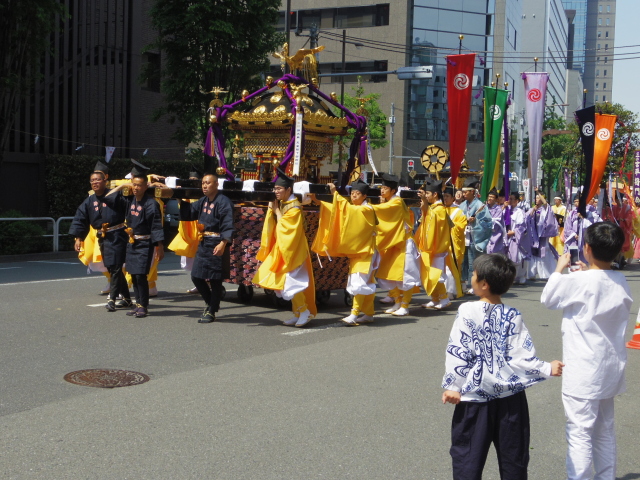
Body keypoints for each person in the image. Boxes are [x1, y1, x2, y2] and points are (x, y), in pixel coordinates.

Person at [442, 253, 563, 480]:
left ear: (484, 284)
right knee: (513, 459)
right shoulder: (512, 314)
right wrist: (547, 367)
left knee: (467, 458)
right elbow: (522, 355)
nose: (472, 276)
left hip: (474, 398)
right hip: (510, 398)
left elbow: (459, 350)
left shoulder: (467, 310)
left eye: (474, 274)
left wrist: (454, 386)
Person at [541, 222, 632, 480]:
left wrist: (559, 270)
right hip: (610, 366)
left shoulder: (579, 281)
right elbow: (598, 284)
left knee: (579, 431)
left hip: (583, 369)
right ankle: (605, 477)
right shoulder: (620, 279)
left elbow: (548, 298)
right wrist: (587, 272)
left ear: (587, 248)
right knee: (604, 429)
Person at [253, 169, 316, 327]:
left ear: (289, 190)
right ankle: (298, 312)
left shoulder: (294, 208)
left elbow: (286, 229)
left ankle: (304, 311)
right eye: (275, 189)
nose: (276, 192)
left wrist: (275, 211)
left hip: (294, 250)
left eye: (279, 189)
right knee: (282, 280)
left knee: (292, 283)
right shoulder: (284, 204)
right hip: (283, 248)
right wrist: (272, 210)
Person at [312, 180, 378, 325]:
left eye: (357, 194)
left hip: (366, 252)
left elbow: (346, 210)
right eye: (352, 193)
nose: (354, 196)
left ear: (364, 196)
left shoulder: (367, 209)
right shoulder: (355, 208)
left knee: (359, 283)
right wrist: (321, 202)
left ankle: (354, 314)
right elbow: (341, 211)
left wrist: (335, 193)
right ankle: (368, 313)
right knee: (363, 282)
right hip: (358, 252)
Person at [104, 160, 165, 318]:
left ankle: (143, 305)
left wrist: (159, 246)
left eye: (139, 185)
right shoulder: (129, 201)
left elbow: (156, 226)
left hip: (145, 243)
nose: (136, 188)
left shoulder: (151, 204)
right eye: (134, 185)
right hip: (131, 243)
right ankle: (137, 304)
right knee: (133, 273)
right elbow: (108, 198)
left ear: (146, 186)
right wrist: (121, 187)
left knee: (140, 275)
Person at [69, 160, 132, 311]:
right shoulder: (89, 201)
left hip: (117, 235)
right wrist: (78, 238)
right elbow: (80, 219)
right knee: (111, 267)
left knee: (116, 267)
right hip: (103, 237)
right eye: (92, 180)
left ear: (105, 181)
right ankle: (128, 299)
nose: (95, 183)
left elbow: (130, 207)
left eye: (98, 179)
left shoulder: (115, 196)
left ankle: (112, 299)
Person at [179, 171, 235, 323]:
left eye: (208, 183)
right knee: (196, 276)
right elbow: (190, 212)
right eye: (203, 183)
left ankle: (211, 311)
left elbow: (228, 224)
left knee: (215, 279)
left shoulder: (224, 202)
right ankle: (211, 303)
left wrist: (223, 243)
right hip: (204, 243)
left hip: (217, 243)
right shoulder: (203, 201)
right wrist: (181, 198)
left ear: (216, 184)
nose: (205, 185)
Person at [372, 173, 421, 316]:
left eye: (385, 188)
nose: (382, 190)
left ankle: (405, 305)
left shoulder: (397, 202)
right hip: (393, 242)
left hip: (404, 243)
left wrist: (366, 207)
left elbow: (383, 211)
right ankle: (398, 302)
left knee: (405, 275)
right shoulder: (389, 202)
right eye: (381, 187)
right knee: (390, 273)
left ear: (393, 191)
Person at [415, 180, 460, 309]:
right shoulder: (434, 208)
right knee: (429, 274)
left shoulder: (439, 209)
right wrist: (424, 203)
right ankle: (435, 298)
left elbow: (431, 218)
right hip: (430, 247)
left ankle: (444, 298)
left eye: (428, 194)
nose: (427, 196)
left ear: (435, 194)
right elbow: (426, 214)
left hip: (437, 247)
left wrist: (424, 204)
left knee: (435, 275)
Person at [459, 180, 492, 294]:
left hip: (475, 238)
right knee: (463, 262)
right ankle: (463, 284)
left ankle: (474, 284)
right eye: (463, 192)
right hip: (464, 237)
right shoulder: (462, 205)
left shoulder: (480, 206)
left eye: (466, 192)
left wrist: (475, 221)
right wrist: (465, 220)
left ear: (472, 192)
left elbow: (488, 224)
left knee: (474, 262)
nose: (463, 195)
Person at [526, 192, 559, 280]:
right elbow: (527, 218)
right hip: (534, 235)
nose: (537, 200)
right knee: (533, 253)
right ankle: (531, 273)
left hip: (543, 234)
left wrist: (538, 192)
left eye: (539, 198)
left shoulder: (545, 208)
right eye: (536, 198)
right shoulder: (533, 209)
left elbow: (546, 204)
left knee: (544, 252)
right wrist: (533, 210)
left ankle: (547, 273)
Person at [443, 185, 467, 299]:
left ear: (453, 198)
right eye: (444, 196)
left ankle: (451, 291)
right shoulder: (440, 209)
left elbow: (461, 227)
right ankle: (441, 292)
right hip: (442, 243)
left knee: (450, 269)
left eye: (447, 196)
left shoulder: (458, 212)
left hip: (453, 244)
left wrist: (450, 224)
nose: (445, 198)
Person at [563, 195, 601, 264]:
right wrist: (574, 234)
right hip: (574, 240)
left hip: (585, 239)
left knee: (585, 260)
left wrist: (583, 219)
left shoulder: (590, 211)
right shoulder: (572, 213)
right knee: (574, 262)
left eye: (577, 201)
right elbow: (568, 227)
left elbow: (594, 224)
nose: (576, 203)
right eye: (575, 202)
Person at [505, 192, 531, 284]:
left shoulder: (519, 212)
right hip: (506, 237)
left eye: (512, 199)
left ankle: (522, 275)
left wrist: (513, 232)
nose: (510, 201)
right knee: (509, 258)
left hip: (516, 237)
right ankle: (512, 276)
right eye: (509, 199)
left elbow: (522, 226)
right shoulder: (506, 210)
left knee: (518, 257)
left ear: (517, 201)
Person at [485, 188, 507, 255]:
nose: (490, 198)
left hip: (495, 236)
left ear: (496, 199)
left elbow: (495, 224)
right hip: (485, 236)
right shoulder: (484, 208)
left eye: (492, 197)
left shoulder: (498, 210)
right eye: (489, 196)